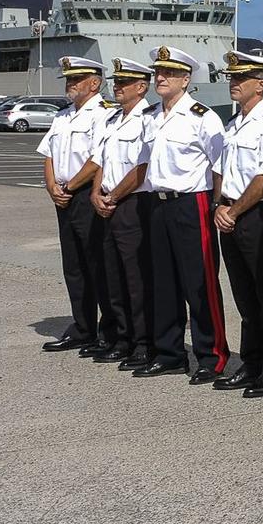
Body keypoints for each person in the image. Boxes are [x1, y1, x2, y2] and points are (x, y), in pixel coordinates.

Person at [133, 46, 229, 384]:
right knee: (163, 281)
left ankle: (212, 356)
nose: (160, 77)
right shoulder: (150, 116)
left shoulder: (203, 117)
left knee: (199, 282)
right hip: (156, 203)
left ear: (185, 80)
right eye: (158, 72)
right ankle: (170, 353)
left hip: (192, 202)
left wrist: (217, 203)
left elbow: (219, 164)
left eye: (169, 73)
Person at [213, 52, 263, 397]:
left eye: (241, 78)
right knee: (245, 297)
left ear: (260, 84)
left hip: (256, 216)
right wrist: (220, 205)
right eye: (231, 78)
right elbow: (219, 170)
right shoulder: (232, 124)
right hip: (230, 213)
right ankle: (251, 363)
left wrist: (233, 212)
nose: (233, 83)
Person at [37, 57, 118, 355]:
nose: (70, 84)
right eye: (69, 79)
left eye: (77, 79)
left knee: (98, 265)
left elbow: (99, 159)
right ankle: (82, 328)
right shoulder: (63, 116)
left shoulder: (104, 114)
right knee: (73, 266)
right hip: (63, 196)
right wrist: (51, 187)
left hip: (85, 195)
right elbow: (48, 152)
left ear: (94, 83)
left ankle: (108, 332)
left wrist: (69, 187)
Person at [91, 59, 154, 368]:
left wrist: (114, 195)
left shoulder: (148, 119)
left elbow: (142, 168)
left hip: (131, 203)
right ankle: (122, 338)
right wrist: (95, 193)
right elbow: (101, 160)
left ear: (141, 88)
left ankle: (143, 342)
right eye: (116, 82)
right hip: (107, 201)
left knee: (136, 277)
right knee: (113, 274)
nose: (117, 87)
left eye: (124, 83)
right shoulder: (112, 119)